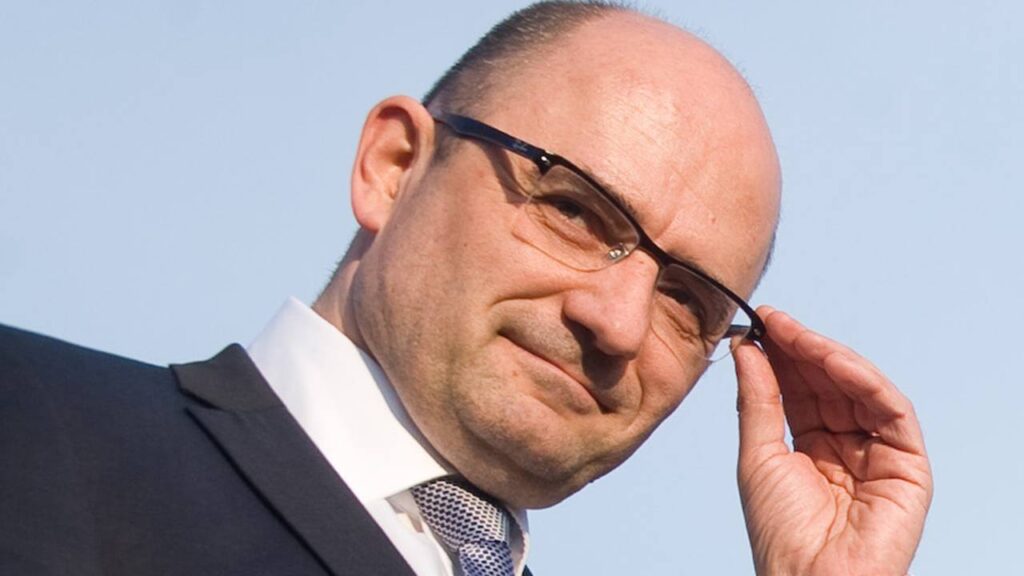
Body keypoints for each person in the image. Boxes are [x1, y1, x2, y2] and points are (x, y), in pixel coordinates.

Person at [0, 2, 932, 575]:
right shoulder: (30, 424)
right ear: (393, 166)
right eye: (574, 210)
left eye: (688, 301)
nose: (615, 323)